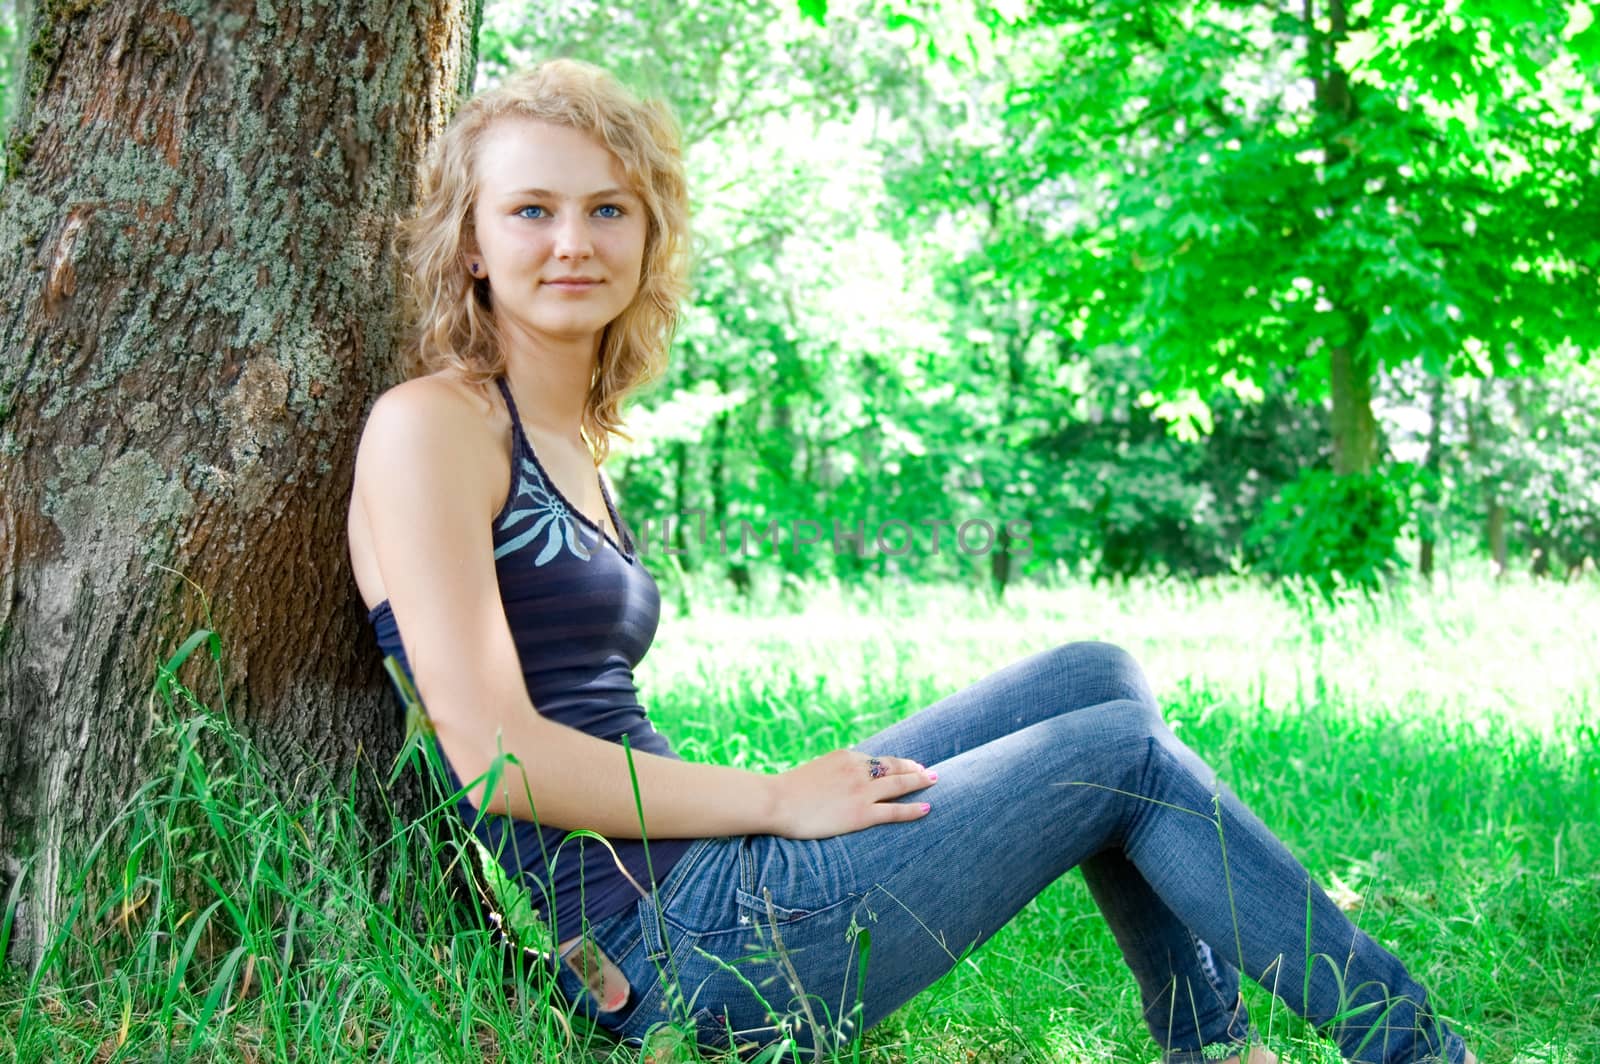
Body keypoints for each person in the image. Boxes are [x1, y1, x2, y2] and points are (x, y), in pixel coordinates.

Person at [347, 59, 1475, 1064]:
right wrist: (779, 799)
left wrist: (767, 813)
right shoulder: (432, 425)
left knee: (1096, 674)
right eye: (531, 209)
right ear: (473, 241)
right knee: (1117, 754)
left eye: (607, 208)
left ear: (648, 237)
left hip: (715, 880)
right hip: (684, 949)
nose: (573, 241)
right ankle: (1415, 1048)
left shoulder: (571, 437)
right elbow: (498, 760)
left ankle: (1209, 1045)